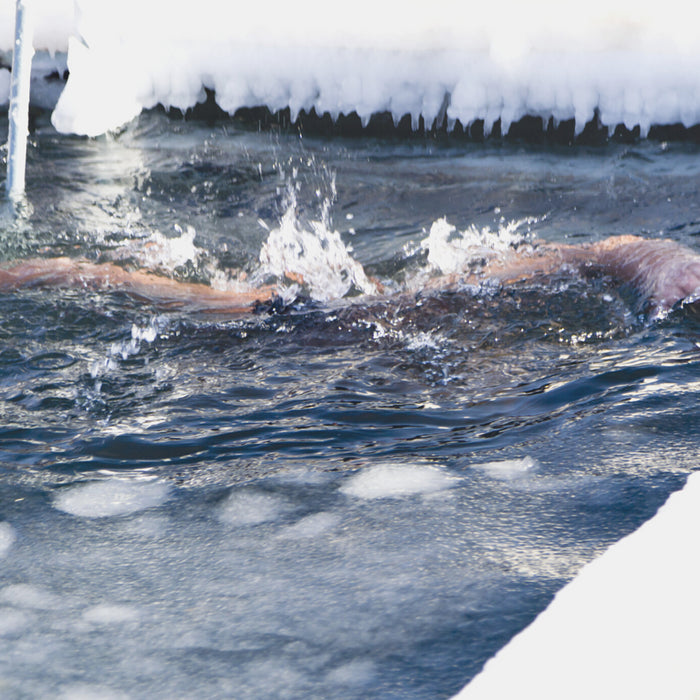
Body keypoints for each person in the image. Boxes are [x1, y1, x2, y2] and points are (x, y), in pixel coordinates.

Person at [0, 234, 699, 317]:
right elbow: (608, 249)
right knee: (191, 301)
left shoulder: (478, 291)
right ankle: (42, 269)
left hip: (345, 325)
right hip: (299, 327)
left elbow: (611, 250)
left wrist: (664, 266)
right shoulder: (471, 288)